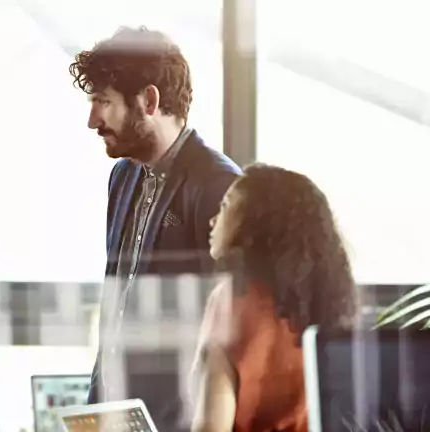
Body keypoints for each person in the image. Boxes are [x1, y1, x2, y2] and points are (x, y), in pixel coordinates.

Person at [69, 26, 241, 427]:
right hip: (117, 416)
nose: (92, 120)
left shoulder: (219, 186)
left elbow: (230, 335)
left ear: (149, 100)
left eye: (103, 102)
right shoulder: (123, 176)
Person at [191, 164, 356, 432]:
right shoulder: (332, 302)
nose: (213, 220)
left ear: (254, 223)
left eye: (225, 205)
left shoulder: (233, 301)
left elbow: (211, 427)